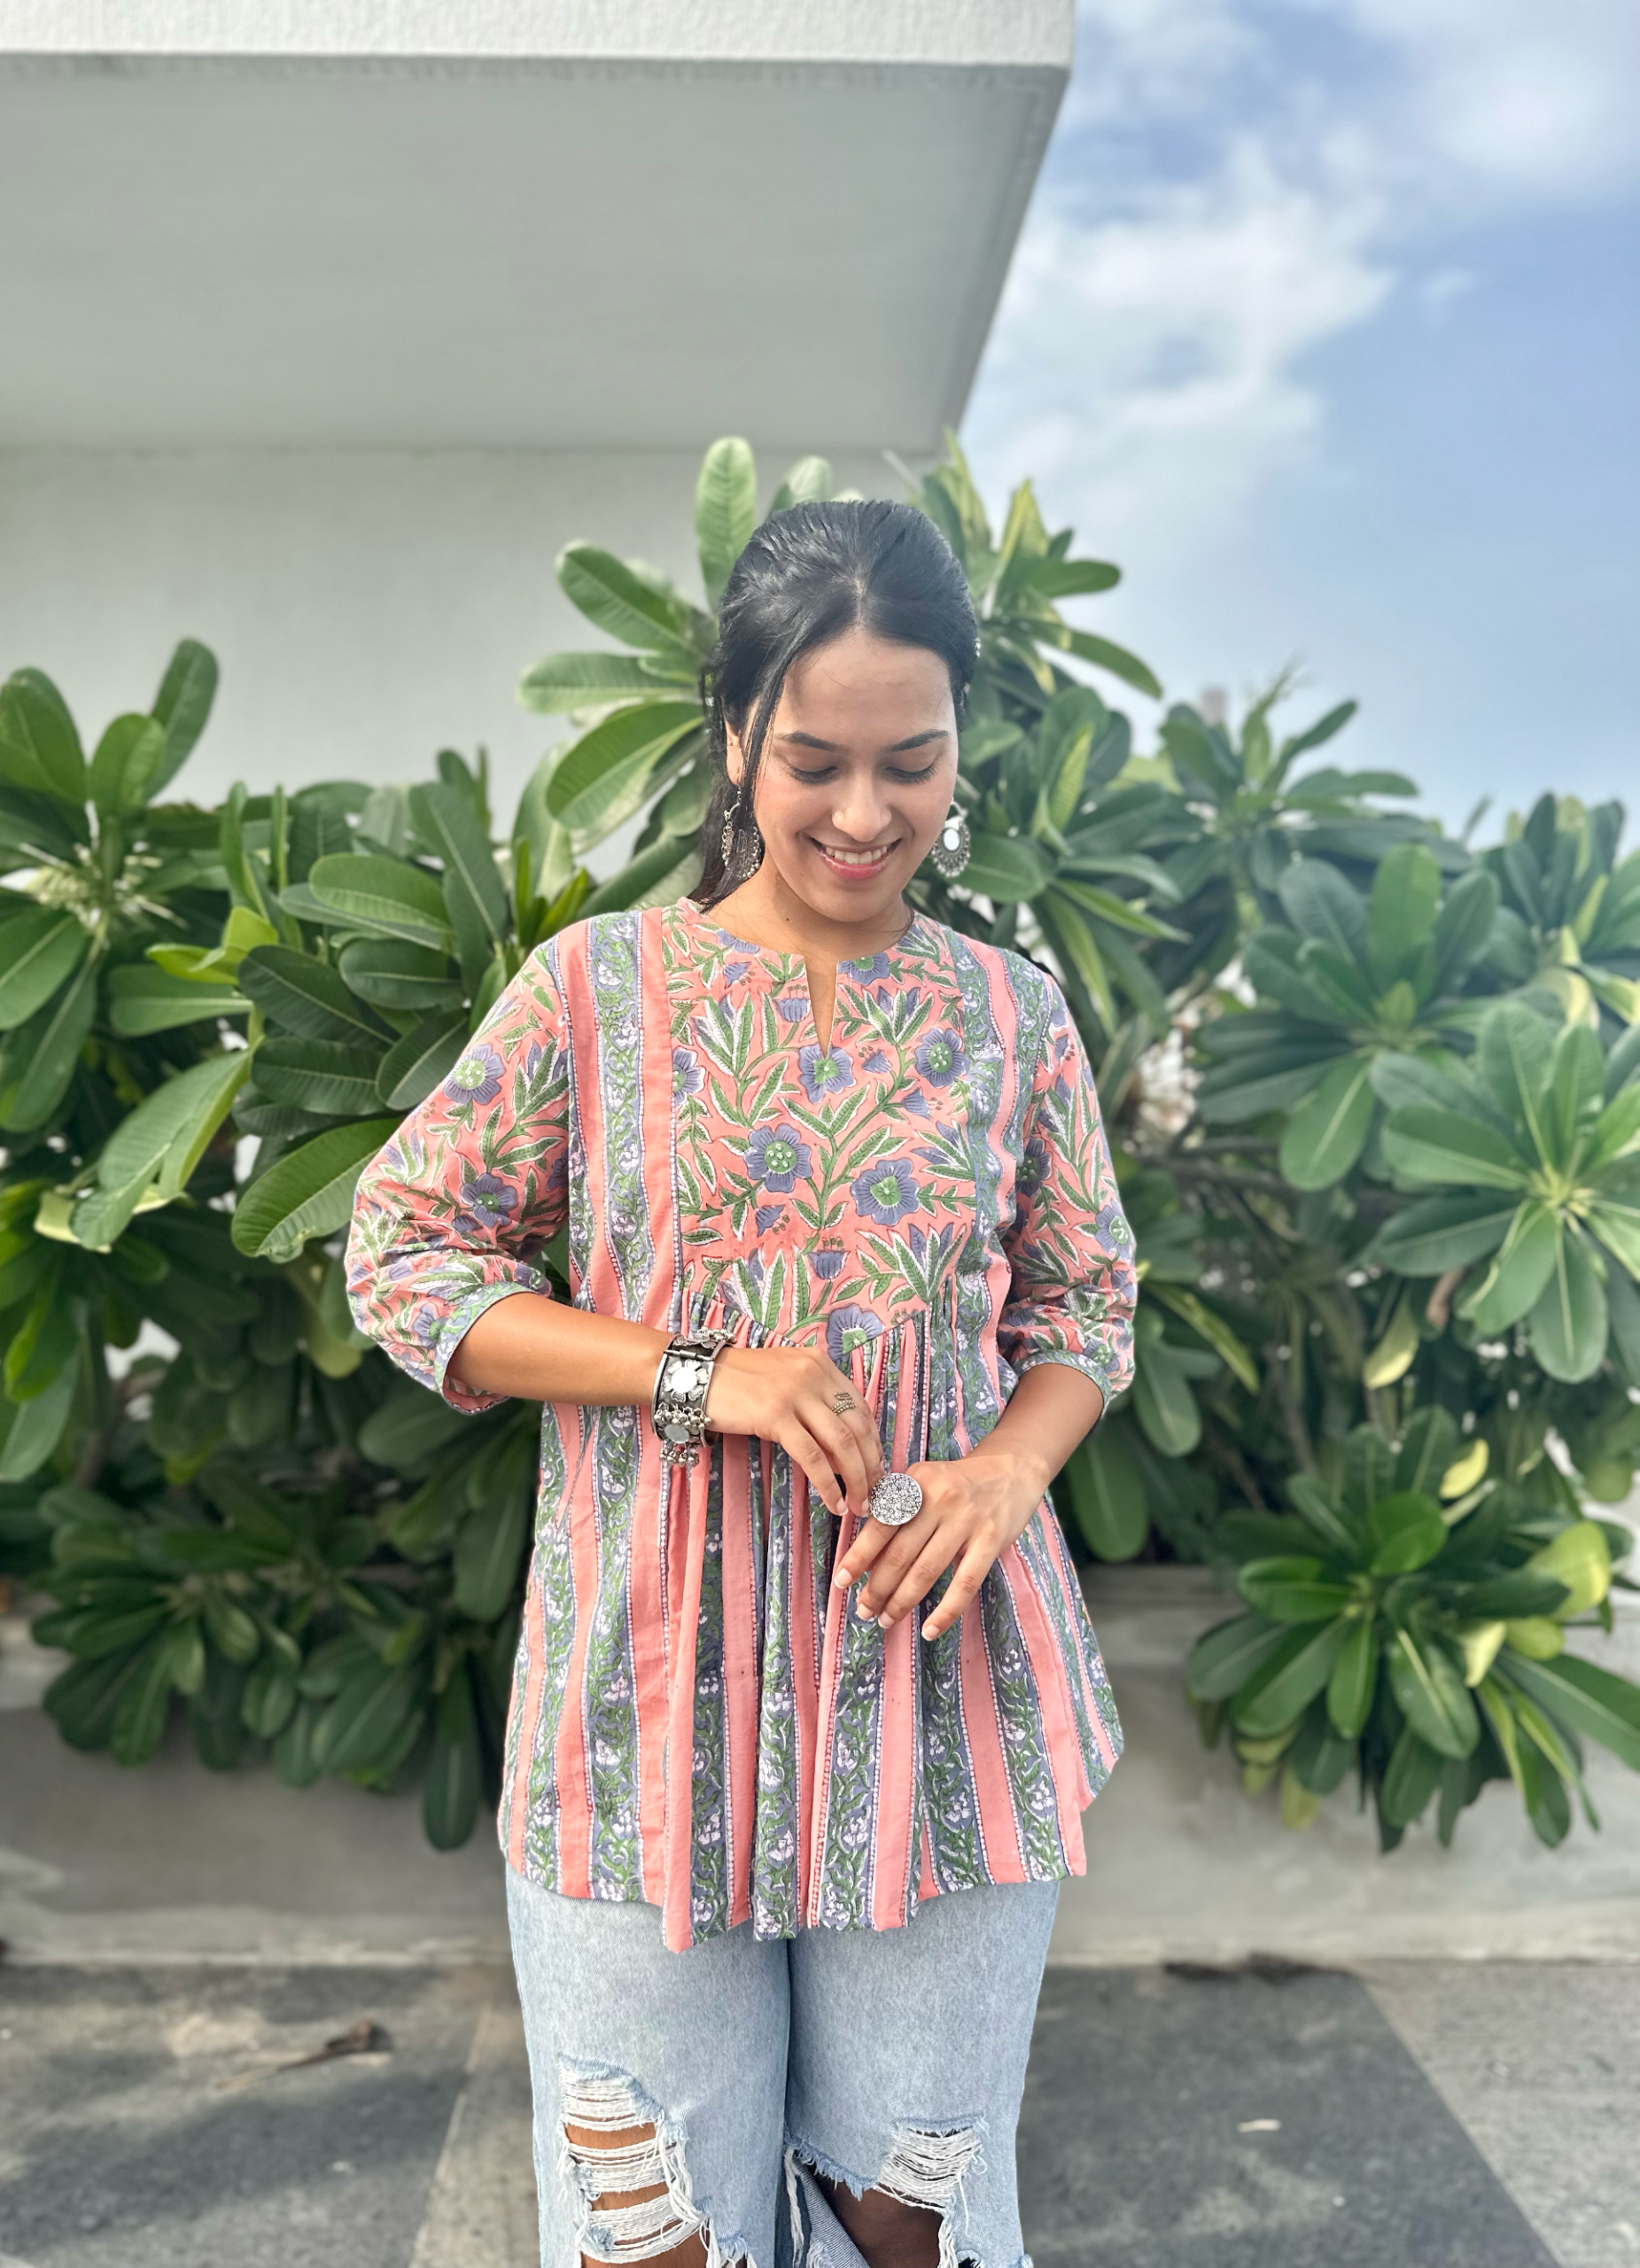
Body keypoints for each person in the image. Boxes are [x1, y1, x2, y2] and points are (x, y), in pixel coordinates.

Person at [346, 499, 1136, 2268]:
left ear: (962, 745)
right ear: (731, 739)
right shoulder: (594, 996)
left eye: (911, 762)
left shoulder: (1013, 1016)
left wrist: (1010, 1468)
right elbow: (403, 1255)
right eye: (813, 761)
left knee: (907, 2226)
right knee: (653, 2234)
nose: (864, 813)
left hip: (940, 1706)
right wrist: (701, 1373)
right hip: (641, 1722)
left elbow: (1087, 1300)